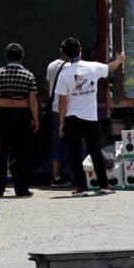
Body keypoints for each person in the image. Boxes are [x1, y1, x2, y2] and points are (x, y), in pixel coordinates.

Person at [53, 37, 125, 196]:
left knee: (75, 154)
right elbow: (109, 68)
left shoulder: (64, 74)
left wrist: (61, 123)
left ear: (64, 54)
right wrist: (119, 60)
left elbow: (62, 102)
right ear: (80, 49)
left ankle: (80, 188)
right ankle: (104, 185)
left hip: (72, 118)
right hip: (91, 119)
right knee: (95, 152)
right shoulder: (93, 68)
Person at [0, 42, 39, 199]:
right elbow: (32, 100)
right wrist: (35, 119)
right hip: (21, 114)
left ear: (6, 56)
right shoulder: (28, 75)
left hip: (3, 113)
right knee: (21, 153)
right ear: (22, 57)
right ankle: (21, 188)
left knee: (1, 153)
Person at [45, 45, 74, 188]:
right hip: (68, 108)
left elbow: (48, 87)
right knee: (73, 142)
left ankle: (56, 176)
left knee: (56, 142)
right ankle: (74, 175)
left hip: (54, 108)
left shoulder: (51, 66)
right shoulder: (70, 67)